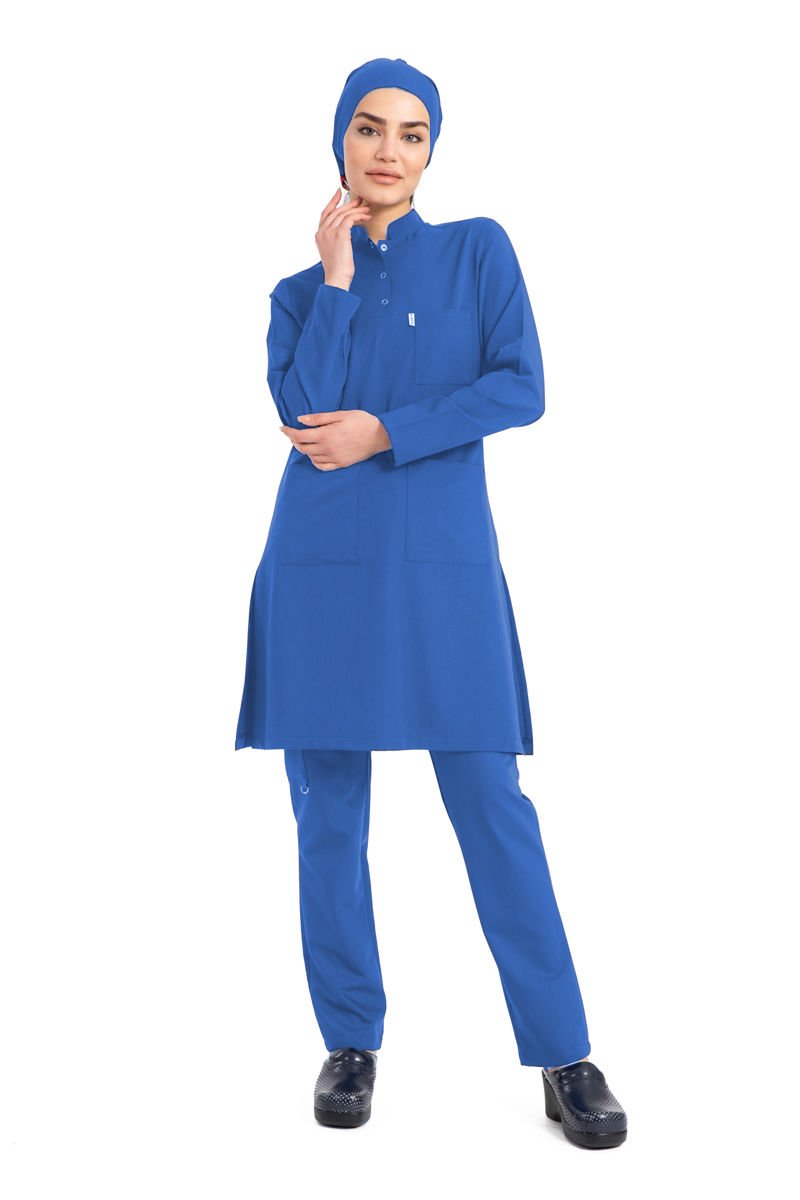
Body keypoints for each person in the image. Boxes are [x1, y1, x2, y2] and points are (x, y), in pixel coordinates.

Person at [234, 57, 627, 1149]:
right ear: (340, 140)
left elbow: (520, 385)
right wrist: (337, 280)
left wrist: (388, 431)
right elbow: (305, 415)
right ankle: (348, 1040)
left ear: (431, 151)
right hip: (321, 571)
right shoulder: (297, 294)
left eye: (411, 134)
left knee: (491, 804)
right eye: (369, 128)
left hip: (443, 568)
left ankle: (564, 1053)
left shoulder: (477, 251)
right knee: (327, 814)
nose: (388, 150)